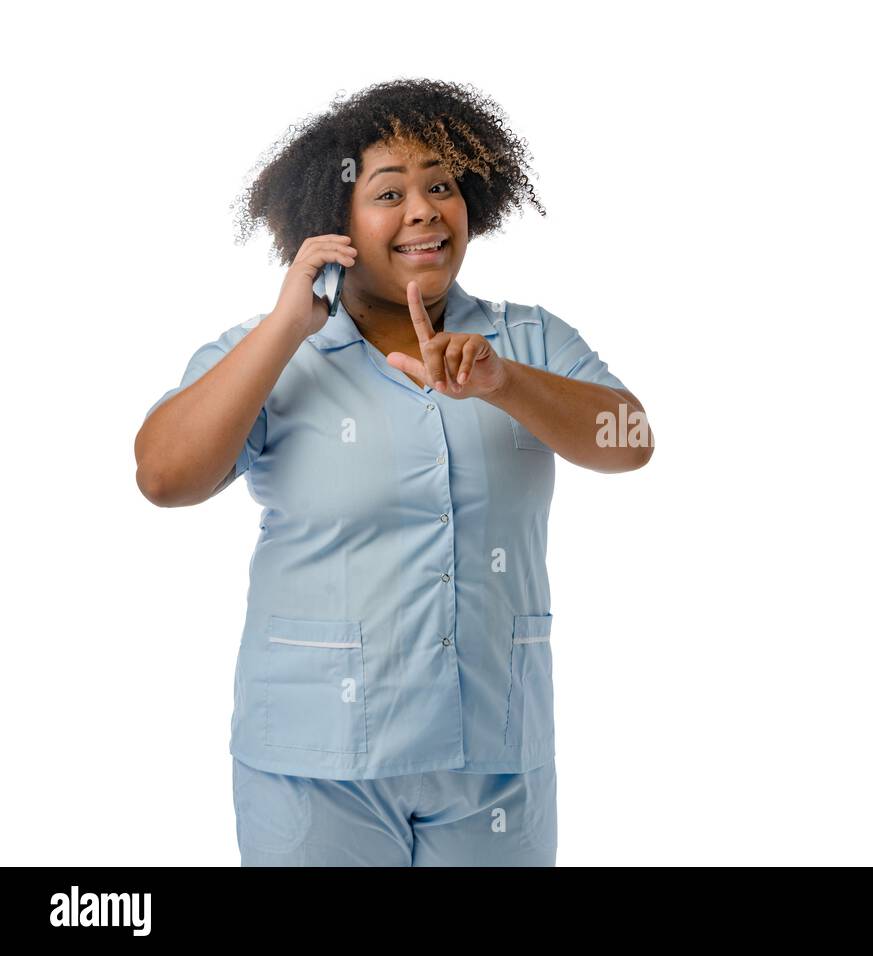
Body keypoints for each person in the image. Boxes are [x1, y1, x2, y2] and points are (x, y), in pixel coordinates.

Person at [133, 78, 653, 866]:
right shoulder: (271, 352)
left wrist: (503, 383)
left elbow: (632, 436)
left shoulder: (527, 340)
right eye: (388, 193)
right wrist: (285, 328)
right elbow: (163, 477)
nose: (424, 210)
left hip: (494, 758)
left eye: (442, 186)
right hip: (316, 770)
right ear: (332, 222)